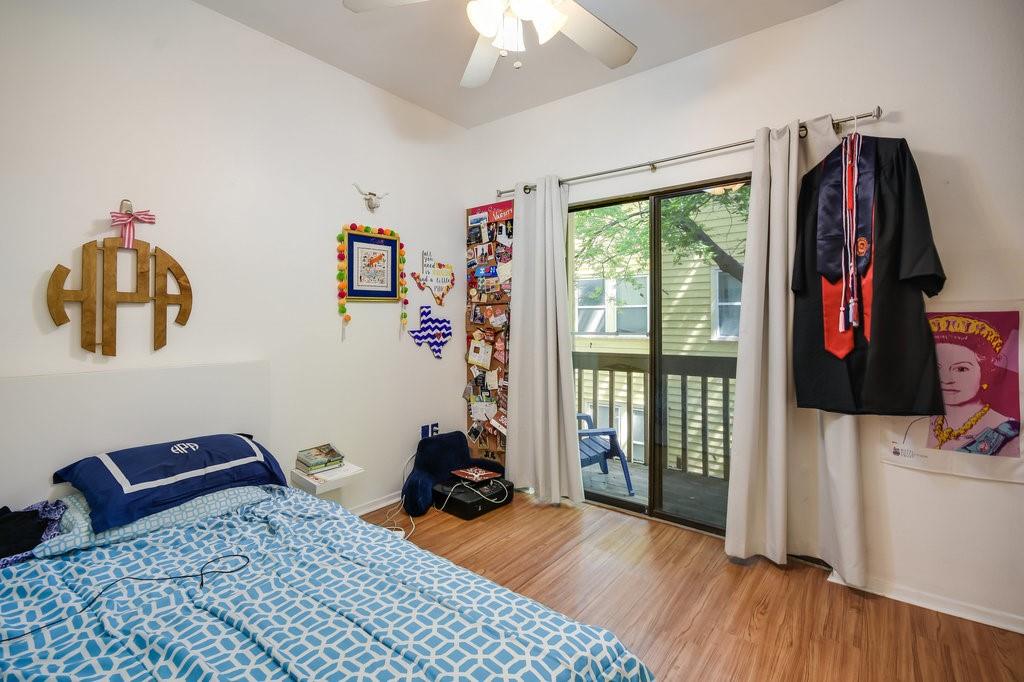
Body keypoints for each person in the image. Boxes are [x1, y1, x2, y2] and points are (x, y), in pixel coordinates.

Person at [927, 315, 1020, 456]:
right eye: (937, 367)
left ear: (985, 371)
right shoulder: (920, 423)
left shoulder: (1009, 433)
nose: (945, 380)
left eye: (961, 369)